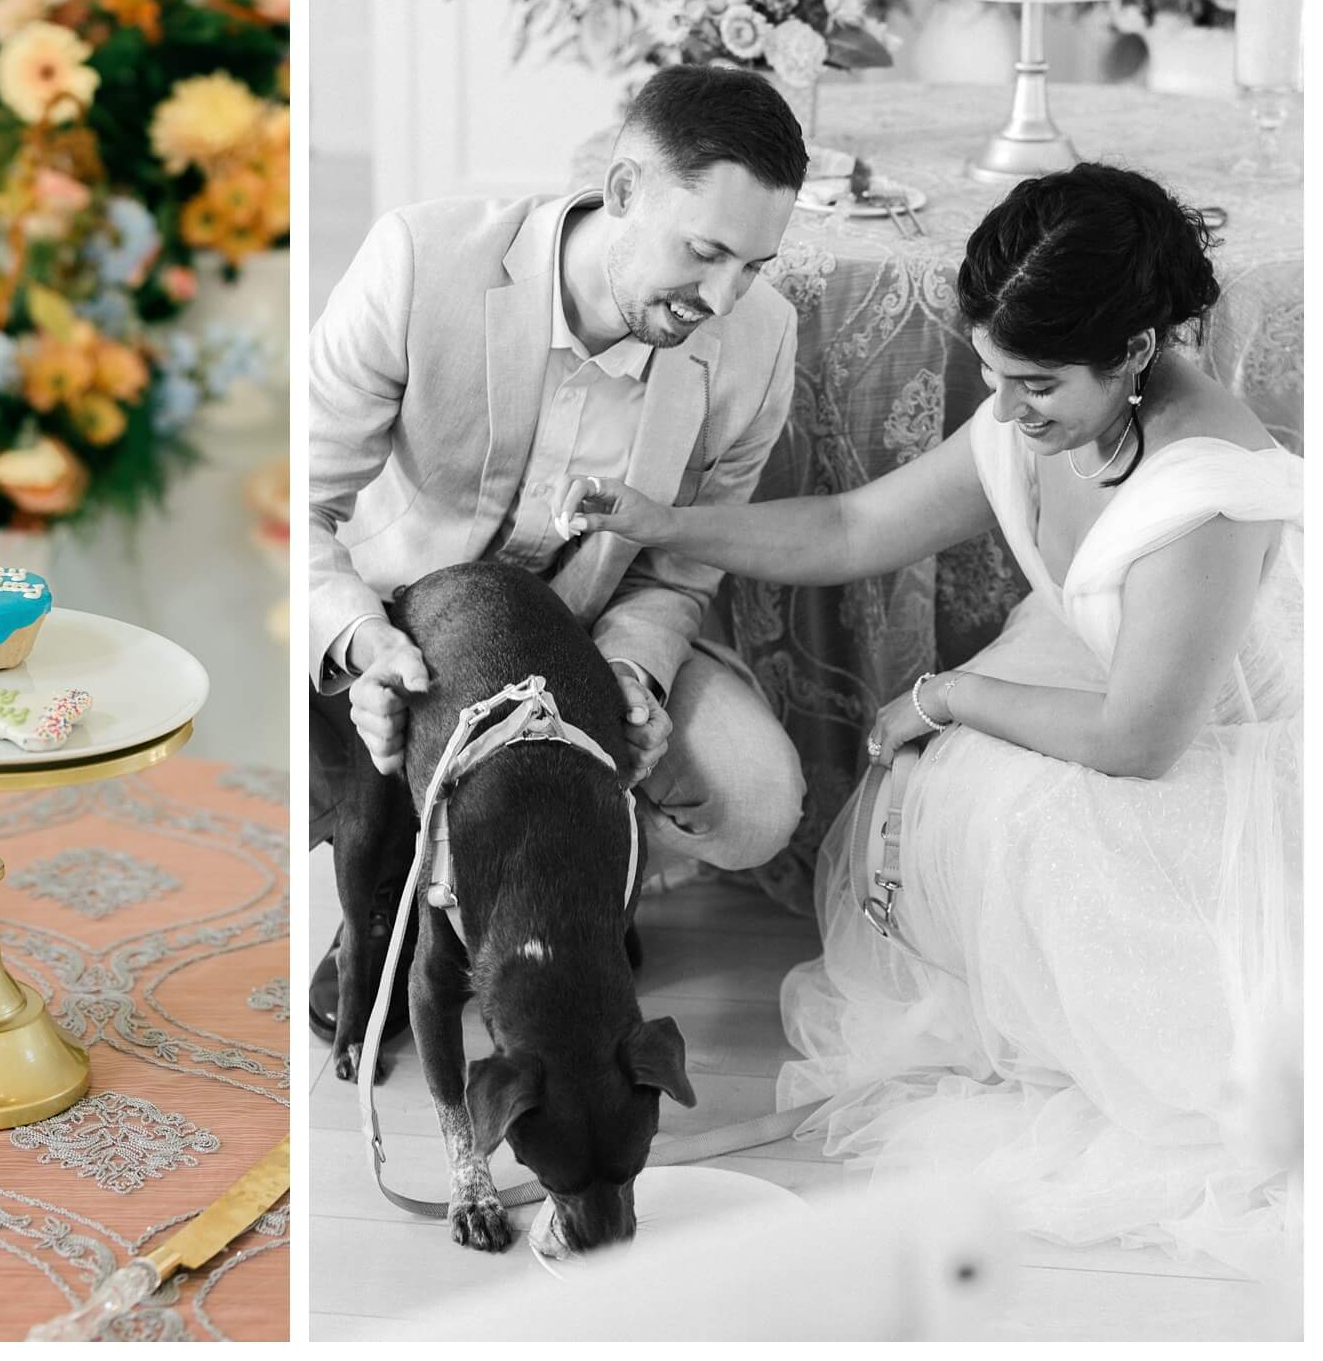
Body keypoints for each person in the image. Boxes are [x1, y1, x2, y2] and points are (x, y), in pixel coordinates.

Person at [554, 162, 1302, 1273]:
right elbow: (853, 527)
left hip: (1224, 773)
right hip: (1128, 704)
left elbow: (1142, 744)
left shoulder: (1202, 492)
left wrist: (945, 695)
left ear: (1136, 353)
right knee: (960, 790)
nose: (1002, 411)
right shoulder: (1044, 404)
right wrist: (669, 522)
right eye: (989, 372)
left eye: (1036, 386)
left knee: (1004, 801)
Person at [308, 64, 811, 1042]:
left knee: (756, 803)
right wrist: (362, 643)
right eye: (703, 251)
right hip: (396, 615)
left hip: (586, 630)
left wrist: (630, 676)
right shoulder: (418, 258)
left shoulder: (758, 339)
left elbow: (678, 566)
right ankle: (415, 879)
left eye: (751, 266)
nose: (721, 295)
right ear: (622, 191)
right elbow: (296, 508)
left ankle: (551, 874)